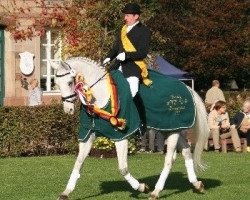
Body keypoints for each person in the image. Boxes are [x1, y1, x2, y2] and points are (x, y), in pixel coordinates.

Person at [103, 3, 151, 133]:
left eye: (128, 15)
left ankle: (142, 123)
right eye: (125, 15)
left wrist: (127, 55)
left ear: (136, 16)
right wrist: (108, 57)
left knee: (133, 91)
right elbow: (115, 48)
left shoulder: (144, 31)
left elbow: (142, 52)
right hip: (117, 66)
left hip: (133, 67)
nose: (125, 18)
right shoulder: (122, 30)